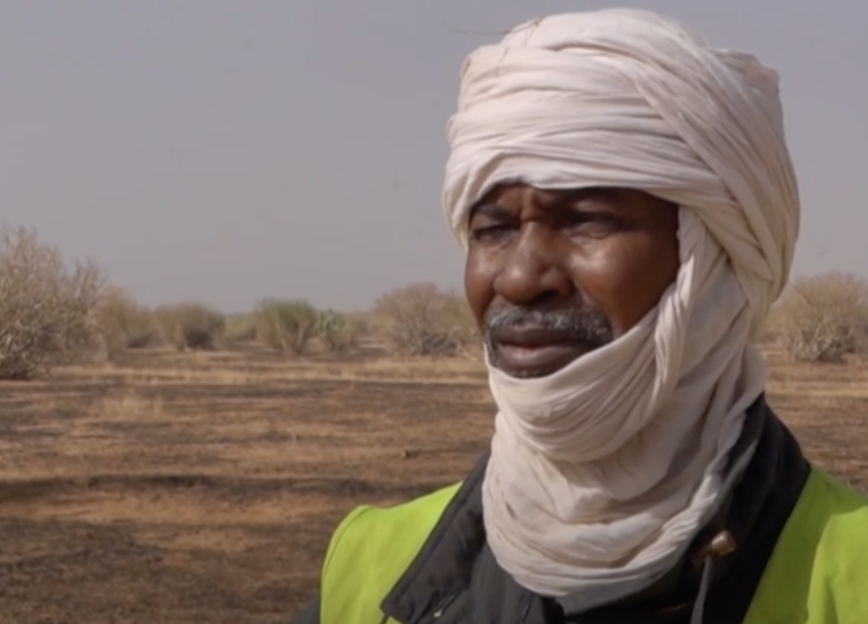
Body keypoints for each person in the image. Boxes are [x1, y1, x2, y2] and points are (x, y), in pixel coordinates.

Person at [291, 8, 868, 624]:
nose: (517, 277)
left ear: (716, 264)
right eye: (493, 230)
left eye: (588, 219)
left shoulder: (850, 574)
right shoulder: (371, 568)